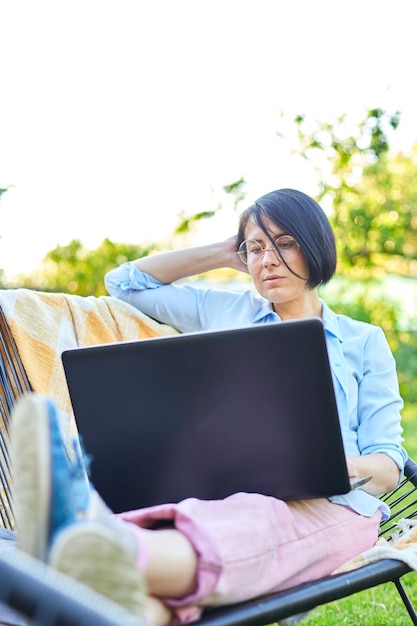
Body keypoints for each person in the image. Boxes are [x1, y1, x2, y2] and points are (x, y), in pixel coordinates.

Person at [11, 188, 407, 626]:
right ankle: (93, 552)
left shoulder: (363, 341)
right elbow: (124, 285)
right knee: (151, 592)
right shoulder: (226, 310)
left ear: (316, 246)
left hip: (334, 504)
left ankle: (84, 541)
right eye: (256, 248)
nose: (268, 259)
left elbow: (388, 462)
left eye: (285, 243)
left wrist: (332, 464)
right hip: (222, 497)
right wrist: (226, 251)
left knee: (258, 519)